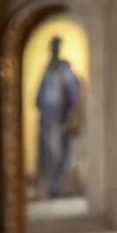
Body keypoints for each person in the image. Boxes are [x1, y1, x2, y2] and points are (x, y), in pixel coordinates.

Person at [35, 36, 82, 198]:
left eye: (56, 46)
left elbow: (74, 93)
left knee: (60, 154)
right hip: (48, 120)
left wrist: (70, 115)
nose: (54, 50)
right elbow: (40, 95)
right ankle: (52, 188)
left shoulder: (65, 69)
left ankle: (57, 187)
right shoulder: (48, 69)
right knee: (49, 155)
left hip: (61, 119)